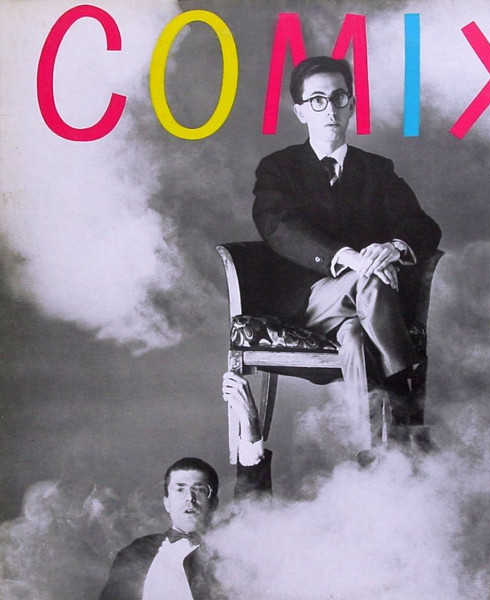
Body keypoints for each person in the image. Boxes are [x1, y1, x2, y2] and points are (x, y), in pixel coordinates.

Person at [252, 56, 442, 448]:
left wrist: (392, 247)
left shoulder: (376, 169)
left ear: (352, 105)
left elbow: (423, 226)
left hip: (365, 312)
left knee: (354, 335)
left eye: (339, 98)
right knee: (370, 278)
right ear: (300, 111)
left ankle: (370, 455)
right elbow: (278, 228)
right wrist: (350, 258)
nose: (331, 109)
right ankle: (407, 405)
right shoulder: (278, 168)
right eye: (317, 100)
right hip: (306, 303)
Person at [98, 372, 270, 600]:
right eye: (180, 489)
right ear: (167, 503)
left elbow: (255, 512)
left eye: (199, 489)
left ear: (214, 502)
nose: (190, 498)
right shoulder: (136, 553)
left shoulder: (229, 549)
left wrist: (250, 424)